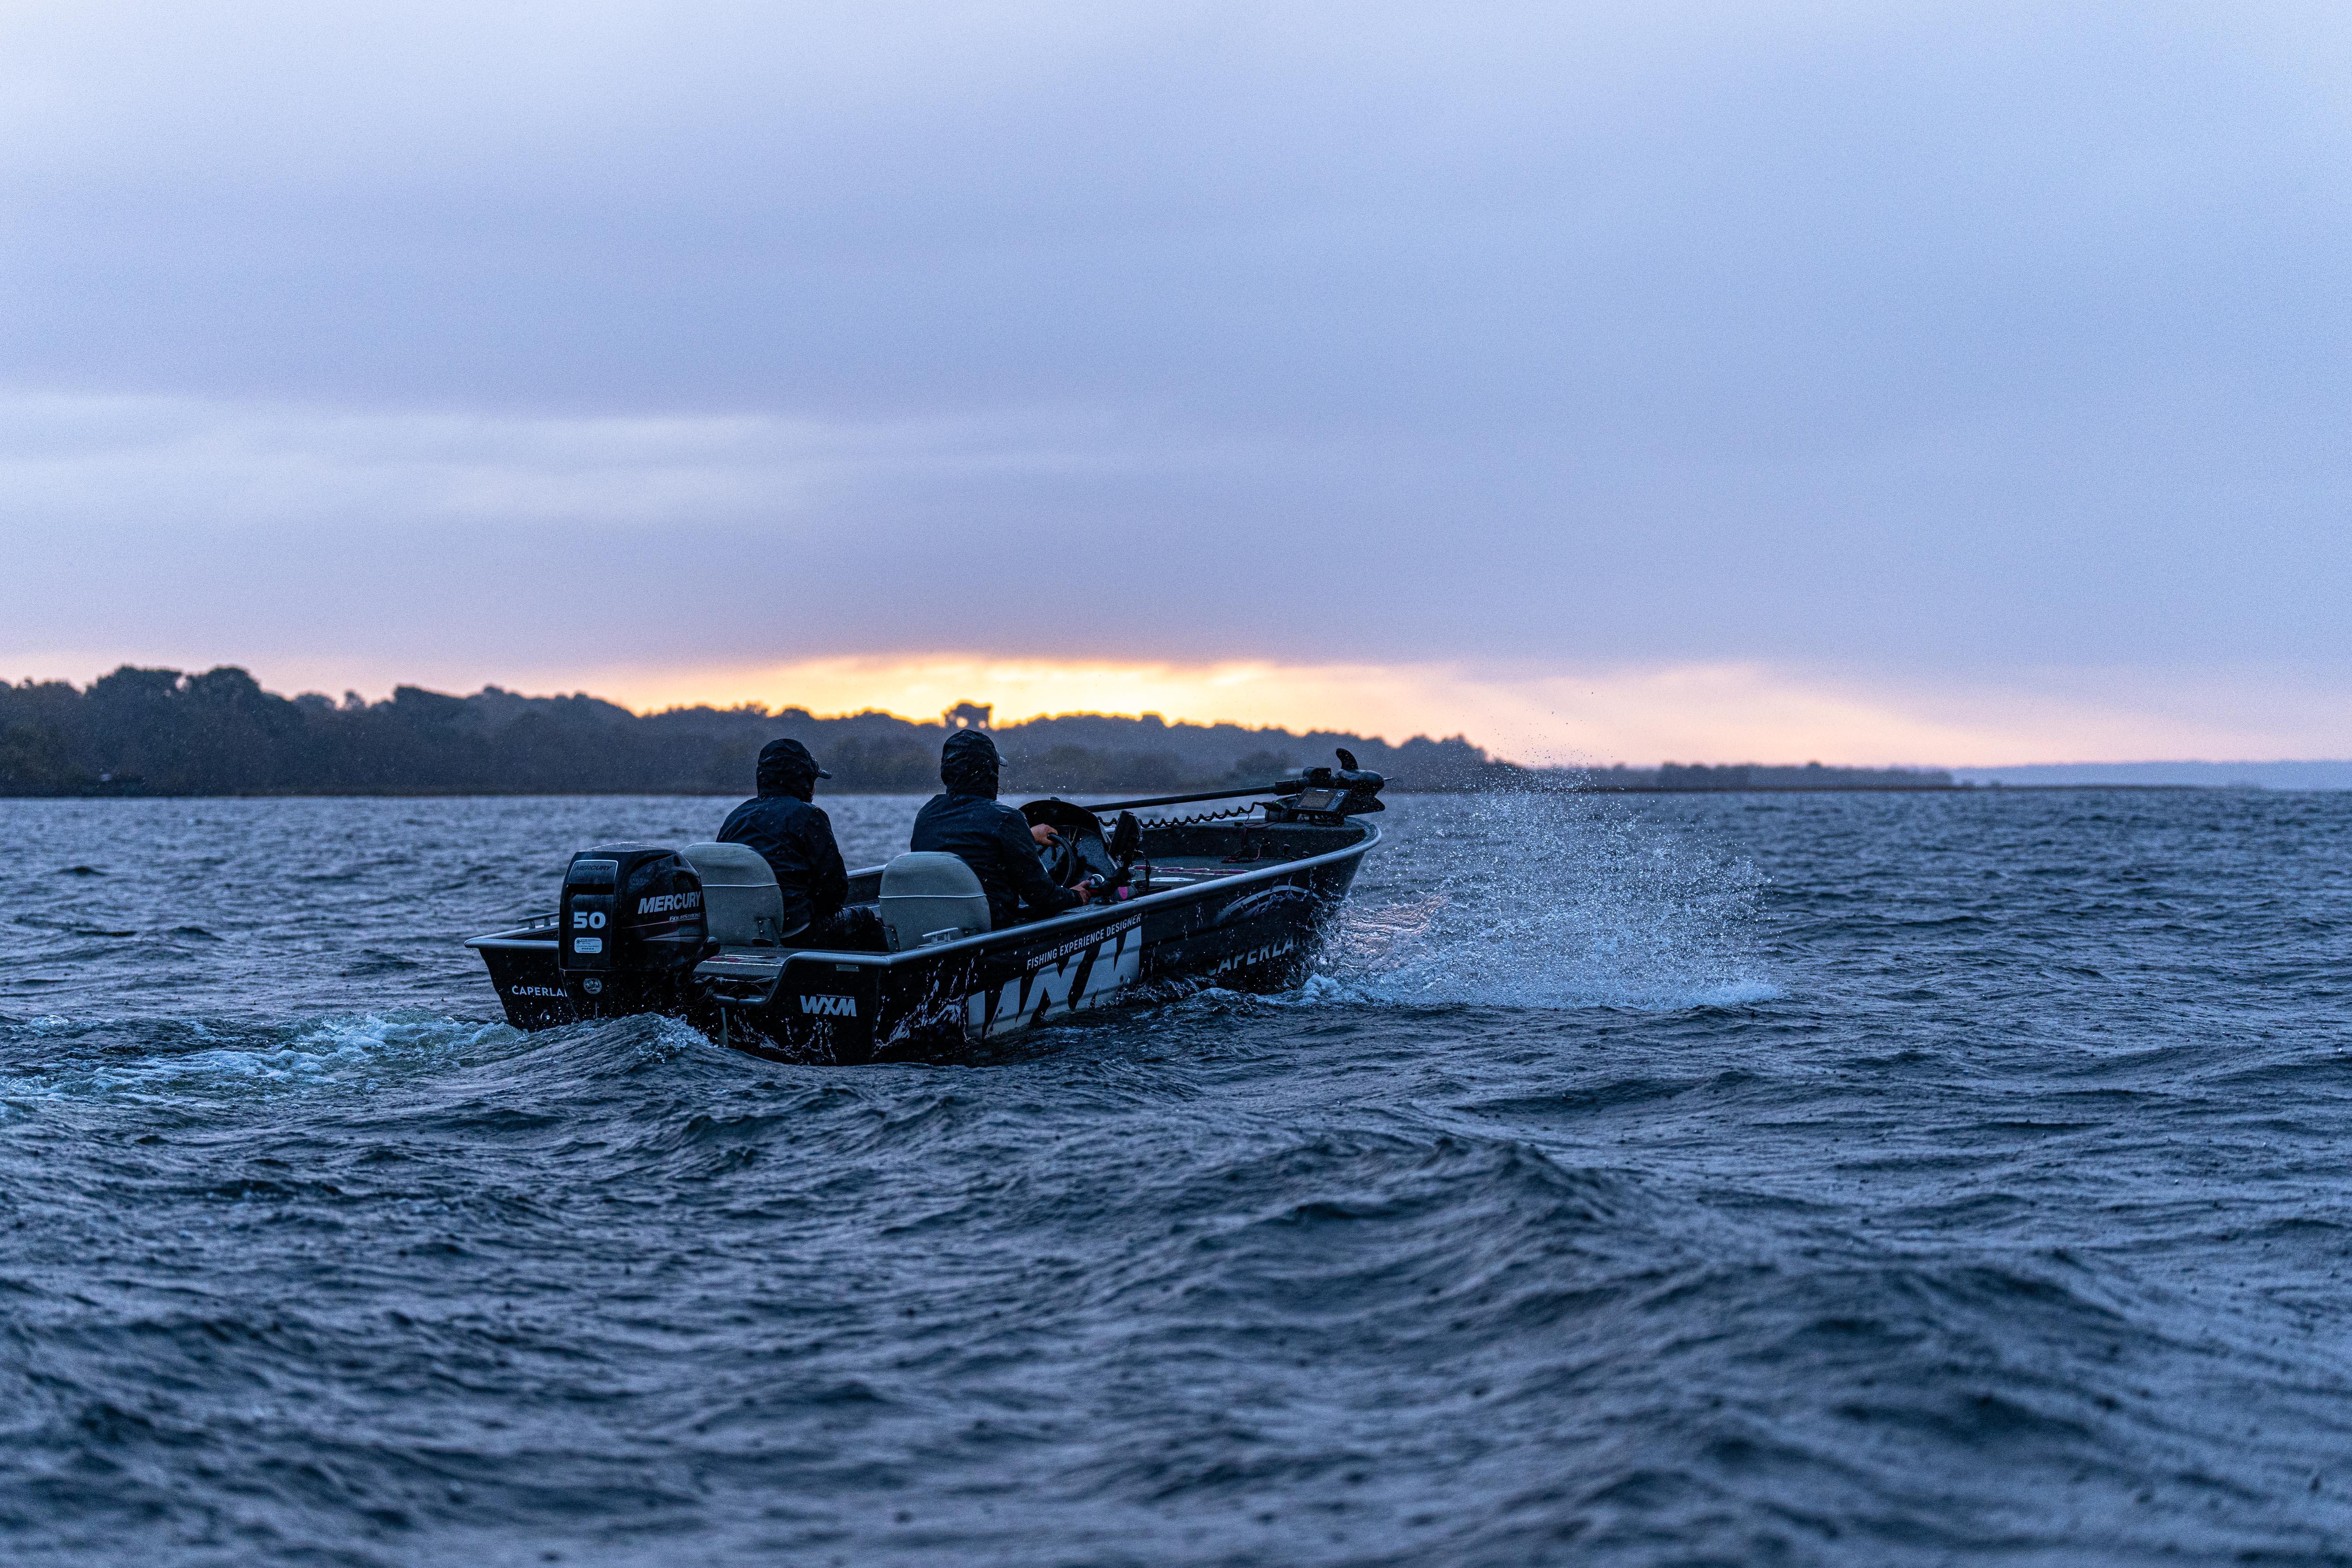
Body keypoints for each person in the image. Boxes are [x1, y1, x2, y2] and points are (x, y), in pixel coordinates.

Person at [911, 729, 1092, 928]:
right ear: (991, 773)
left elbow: (970, 846)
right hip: (990, 929)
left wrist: (1026, 837)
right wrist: (1075, 896)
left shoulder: (928, 814)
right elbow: (1042, 896)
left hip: (938, 924)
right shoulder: (1005, 819)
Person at [717, 737, 867, 945]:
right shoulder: (809, 816)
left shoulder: (736, 817)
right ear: (804, 782)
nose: (814, 791)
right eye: (813, 782)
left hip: (738, 931)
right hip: (795, 932)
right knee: (866, 919)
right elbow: (834, 891)